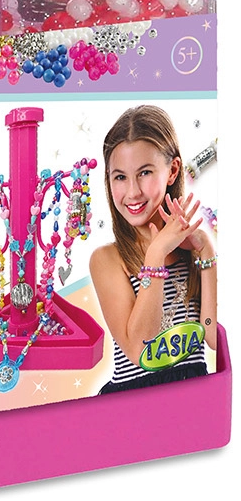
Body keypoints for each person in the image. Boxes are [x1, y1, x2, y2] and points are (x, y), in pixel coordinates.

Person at [90, 104, 217, 392]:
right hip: (133, 403)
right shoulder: (107, 259)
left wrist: (206, 252)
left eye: (145, 173)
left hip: (193, 396)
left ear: (172, 170)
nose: (132, 192)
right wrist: (156, 254)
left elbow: (211, 336)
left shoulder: (194, 252)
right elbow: (139, 349)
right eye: (120, 177)